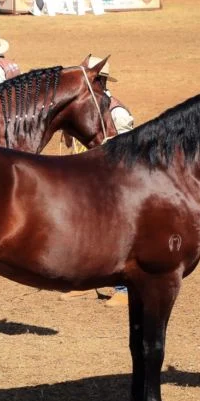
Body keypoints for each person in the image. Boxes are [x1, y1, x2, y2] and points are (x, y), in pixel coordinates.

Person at [60, 60, 132, 306]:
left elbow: (127, 153)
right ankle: (84, 281)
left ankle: (123, 289)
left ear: (97, 82)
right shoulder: (83, 108)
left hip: (112, 184)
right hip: (84, 180)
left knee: (115, 235)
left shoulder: (117, 112)